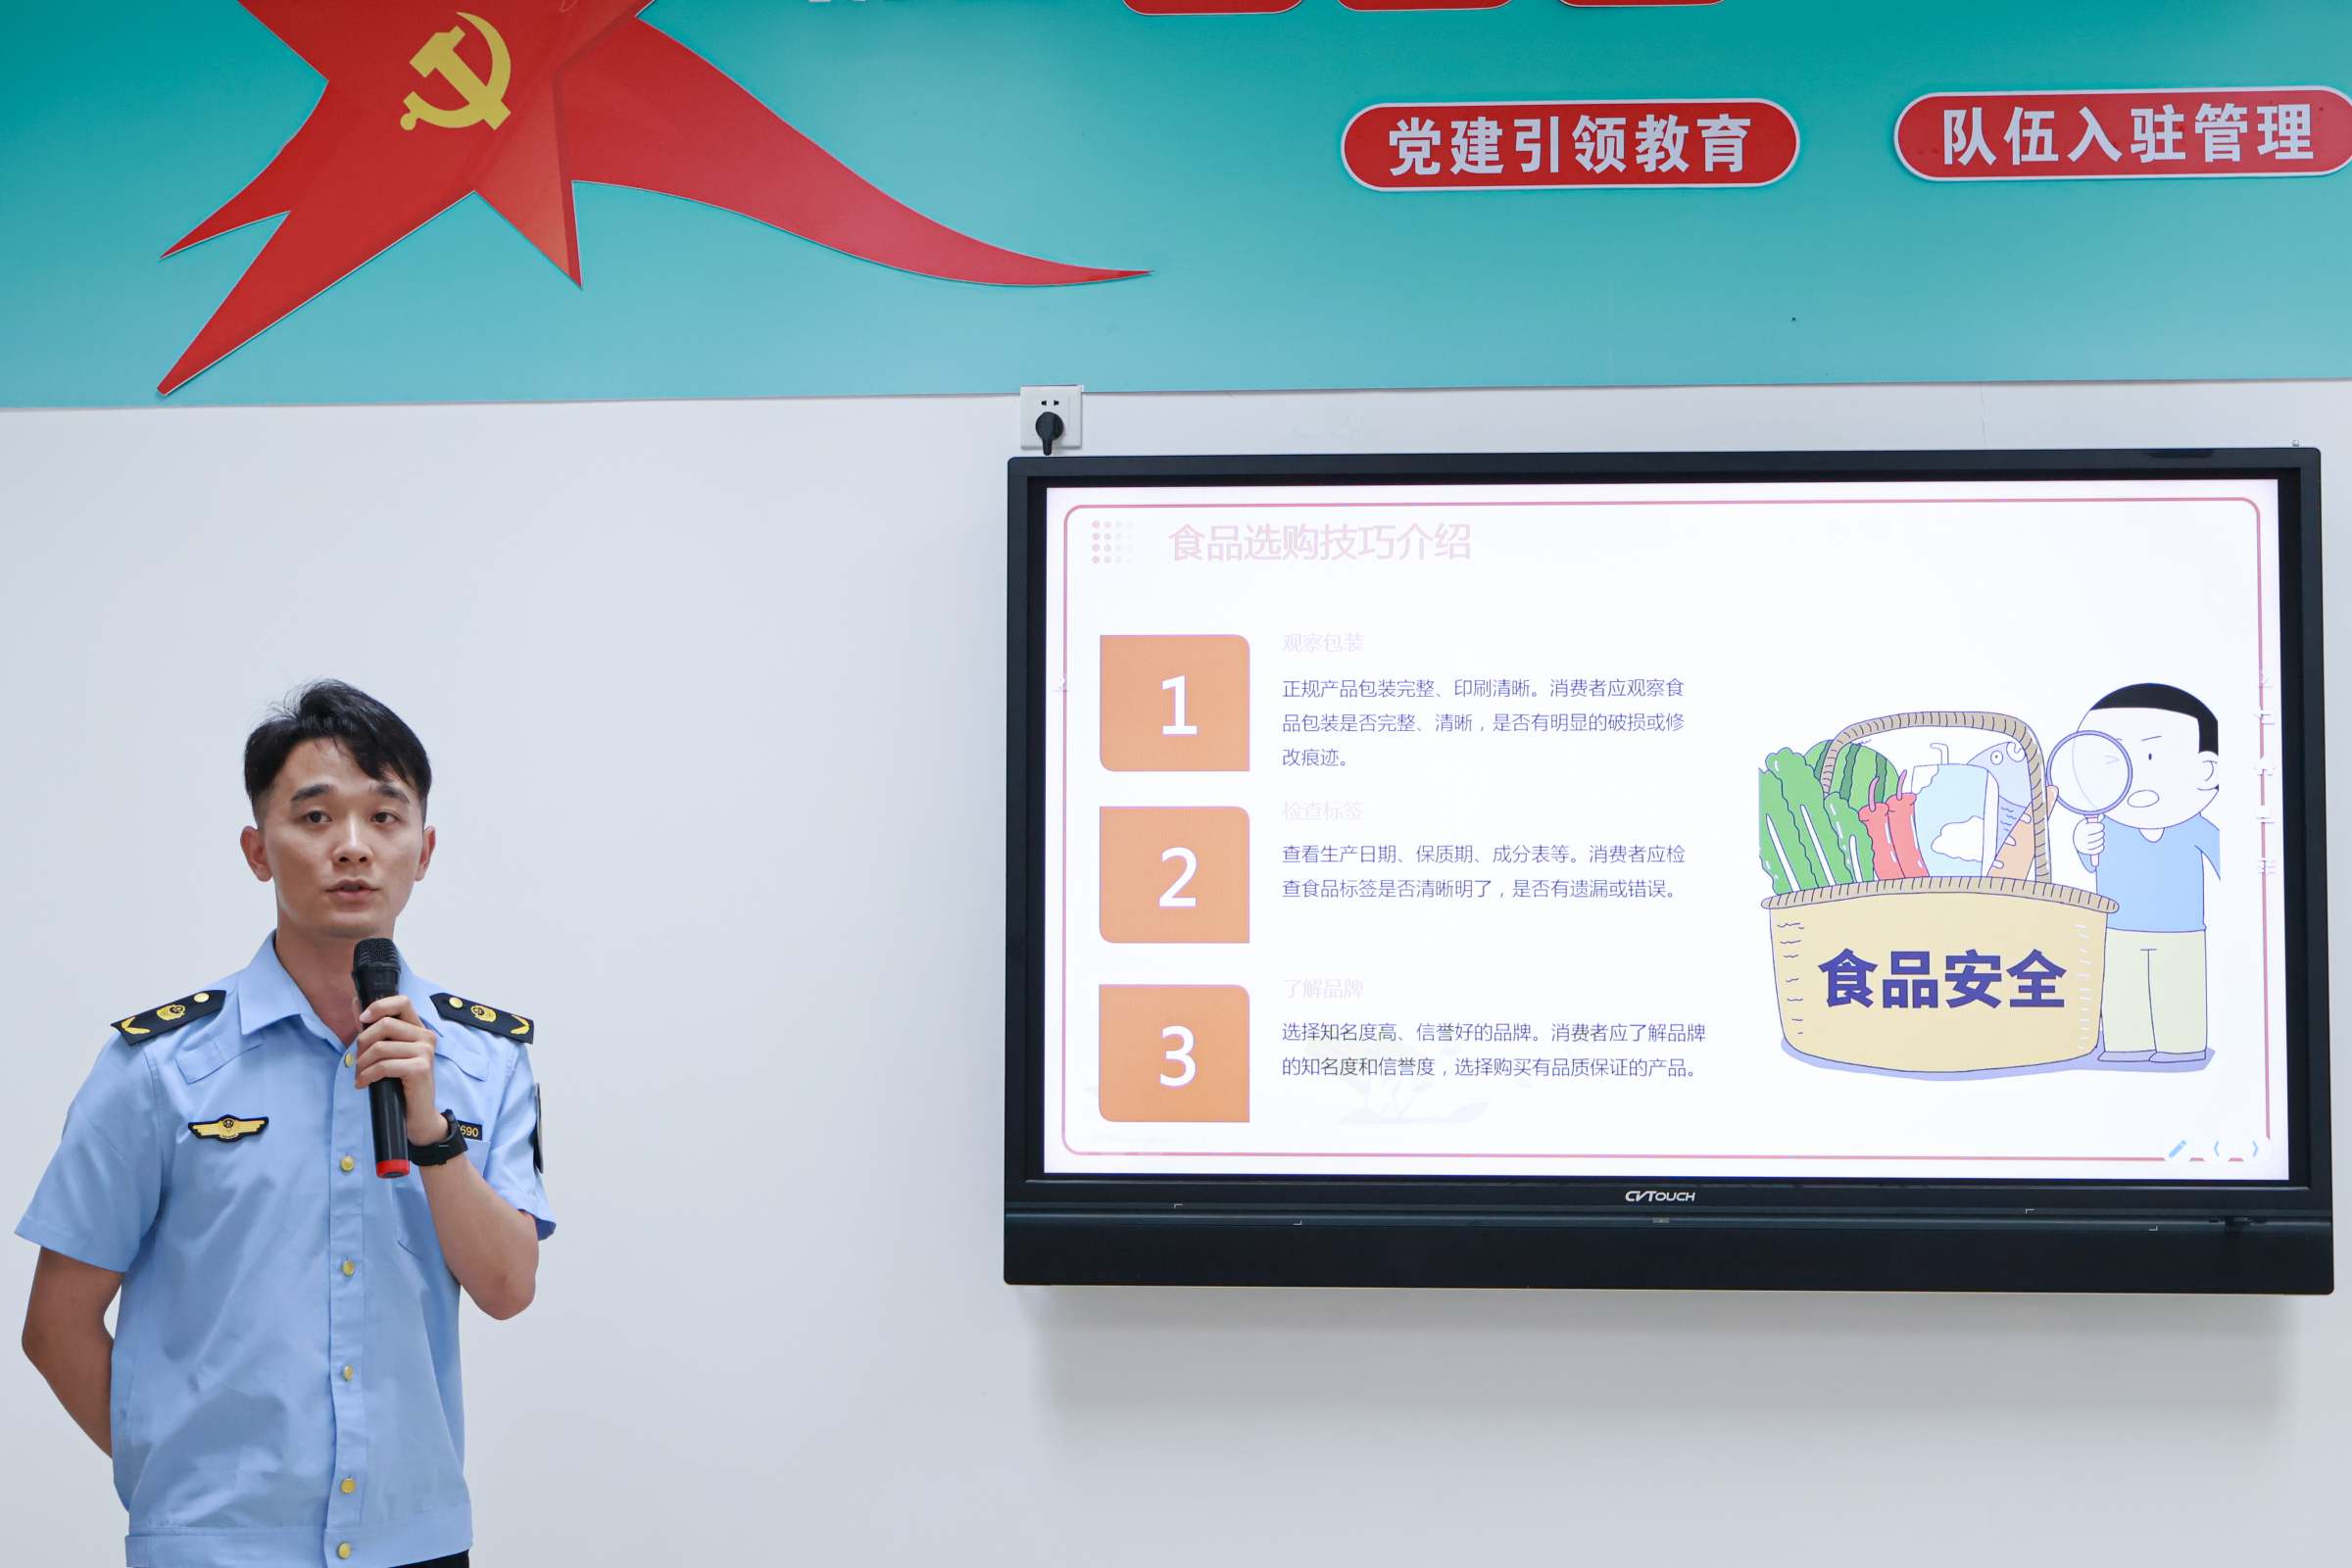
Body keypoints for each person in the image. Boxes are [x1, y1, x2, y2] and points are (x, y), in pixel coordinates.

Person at [17, 680, 554, 1568]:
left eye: (385, 817)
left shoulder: (485, 1060)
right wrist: (184, 1485)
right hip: (215, 1551)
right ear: (257, 850)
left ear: (424, 850)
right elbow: (55, 1326)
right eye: (315, 817)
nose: (353, 846)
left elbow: (508, 1287)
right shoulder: (158, 1069)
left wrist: (430, 1128)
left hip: (414, 1545)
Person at [2071, 682, 2221, 1066]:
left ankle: (2182, 1046)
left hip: (2183, 931)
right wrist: (2083, 844)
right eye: (2111, 761)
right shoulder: (2105, 827)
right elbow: (2092, 863)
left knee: (2179, 989)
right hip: (2118, 929)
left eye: (2152, 755)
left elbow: (2228, 867)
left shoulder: (2195, 828)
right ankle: (2127, 1045)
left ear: (2206, 771)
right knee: (2123, 990)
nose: (2132, 776)